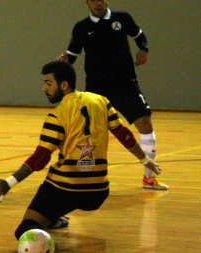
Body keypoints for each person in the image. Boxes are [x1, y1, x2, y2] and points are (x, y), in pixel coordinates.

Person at [0, 60, 162, 239]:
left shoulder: (57, 115)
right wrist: (145, 160)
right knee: (54, 205)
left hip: (67, 189)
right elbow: (123, 134)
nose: (44, 89)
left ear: (64, 85)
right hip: (99, 191)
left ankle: (41, 235)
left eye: (49, 84)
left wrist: (9, 182)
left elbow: (41, 157)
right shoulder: (101, 101)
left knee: (26, 229)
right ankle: (52, 219)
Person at [56, 0, 167, 190]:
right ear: (87, 2)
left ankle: (149, 178)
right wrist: (64, 62)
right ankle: (79, 176)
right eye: (92, 0)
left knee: (146, 125)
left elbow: (139, 35)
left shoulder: (121, 18)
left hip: (125, 84)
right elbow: (71, 56)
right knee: (87, 134)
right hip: (96, 89)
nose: (97, 3)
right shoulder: (81, 27)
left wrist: (144, 49)